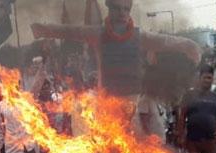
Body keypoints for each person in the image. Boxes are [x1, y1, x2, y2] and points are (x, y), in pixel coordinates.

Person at [31, 0, 201, 98]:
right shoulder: (98, 33)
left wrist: (189, 46)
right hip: (108, 102)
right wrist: (44, 29)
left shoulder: (139, 36)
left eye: (126, 8)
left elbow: (165, 41)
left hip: (132, 99)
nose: (122, 13)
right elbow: (71, 30)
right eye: (117, 8)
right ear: (109, 8)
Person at [178, 65, 216, 153]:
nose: (207, 80)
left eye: (209, 78)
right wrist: (181, 135)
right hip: (192, 139)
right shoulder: (189, 95)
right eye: (205, 77)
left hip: (210, 139)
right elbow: (182, 115)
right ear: (199, 78)